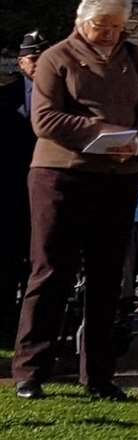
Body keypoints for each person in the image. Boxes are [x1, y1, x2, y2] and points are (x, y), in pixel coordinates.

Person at [12, 0, 138, 401]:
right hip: (62, 175)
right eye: (102, 25)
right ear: (83, 21)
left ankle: (98, 374)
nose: (110, 34)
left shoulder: (132, 57)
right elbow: (44, 119)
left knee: (107, 275)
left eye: (118, 26)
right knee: (50, 271)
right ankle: (31, 369)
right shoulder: (55, 58)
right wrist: (103, 132)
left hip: (118, 177)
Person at [0, 33, 40, 341]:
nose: (38, 66)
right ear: (21, 62)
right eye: (33, 60)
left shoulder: (62, 96)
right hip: (12, 188)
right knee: (9, 256)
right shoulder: (6, 98)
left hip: (45, 190)